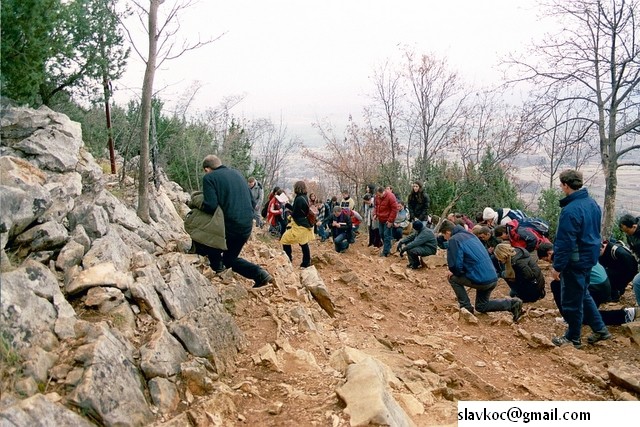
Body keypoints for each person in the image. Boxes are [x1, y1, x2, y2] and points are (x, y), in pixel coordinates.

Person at [550, 169, 610, 348]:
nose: (561, 188)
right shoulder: (592, 203)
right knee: (583, 294)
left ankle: (573, 337)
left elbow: (565, 242)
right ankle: (600, 329)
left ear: (566, 185)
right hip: (588, 258)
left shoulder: (570, 210)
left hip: (574, 261)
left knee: (570, 301)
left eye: (561, 185)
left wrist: (557, 266)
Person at [199, 155, 273, 288]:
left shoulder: (209, 178)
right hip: (246, 226)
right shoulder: (237, 174)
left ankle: (217, 269)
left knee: (205, 237)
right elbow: (252, 202)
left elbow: (211, 205)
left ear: (207, 169)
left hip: (230, 227)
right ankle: (259, 274)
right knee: (230, 258)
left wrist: (198, 205)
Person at [439, 220, 523, 321]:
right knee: (481, 306)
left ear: (448, 232)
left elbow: (456, 265)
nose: (445, 238)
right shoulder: (471, 235)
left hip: (481, 279)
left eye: (444, 235)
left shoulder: (454, 239)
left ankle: (466, 307)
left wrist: (455, 271)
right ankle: (512, 303)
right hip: (491, 277)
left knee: (452, 277)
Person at [538, 243, 638, 326]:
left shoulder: (560, 256)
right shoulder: (570, 247)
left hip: (596, 288)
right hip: (603, 285)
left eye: (547, 260)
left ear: (549, 253)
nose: (550, 262)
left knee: (556, 285)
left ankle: (623, 315)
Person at [280, 181, 314, 268]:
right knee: (303, 243)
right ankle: (306, 263)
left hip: (299, 225)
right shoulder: (305, 197)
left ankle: (289, 259)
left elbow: (295, 213)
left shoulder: (298, 198)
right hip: (304, 224)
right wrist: (288, 205)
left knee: (285, 239)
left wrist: (287, 206)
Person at [618, 214, 640, 306]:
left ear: (634, 226)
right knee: (637, 282)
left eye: (627, 231)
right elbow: (634, 249)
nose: (626, 234)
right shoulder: (630, 236)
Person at [373, 186, 399, 257]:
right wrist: (375, 214)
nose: (378, 196)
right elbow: (376, 206)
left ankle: (385, 252)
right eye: (377, 195)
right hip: (380, 218)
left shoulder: (391, 197)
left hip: (388, 219)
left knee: (386, 235)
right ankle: (388, 247)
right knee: (381, 234)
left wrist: (390, 221)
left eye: (379, 195)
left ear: (383, 192)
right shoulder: (377, 197)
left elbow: (394, 209)